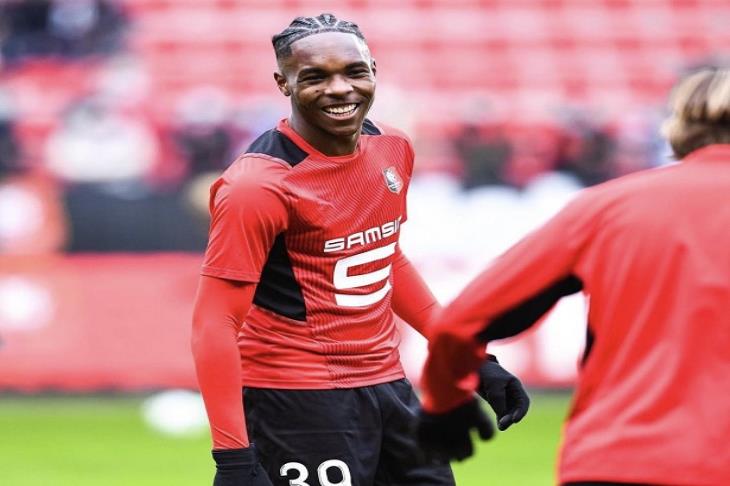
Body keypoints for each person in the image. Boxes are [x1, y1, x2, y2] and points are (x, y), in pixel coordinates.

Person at [191, 13, 530, 486]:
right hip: (296, 401)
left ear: (373, 71)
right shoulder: (257, 186)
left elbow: (384, 257)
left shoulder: (393, 147)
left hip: (389, 387)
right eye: (315, 77)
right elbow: (215, 323)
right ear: (283, 83)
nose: (339, 89)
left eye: (353, 72)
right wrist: (233, 459)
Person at [417, 68, 730, 486]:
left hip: (622, 461)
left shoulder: (606, 208)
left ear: (678, 130)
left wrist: (445, 404)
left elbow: (461, 321)